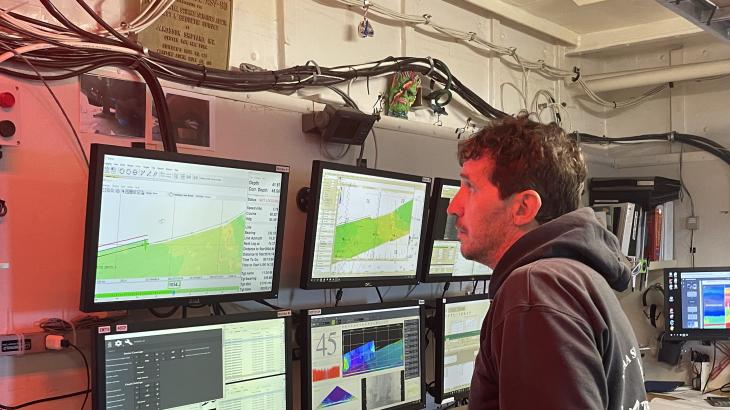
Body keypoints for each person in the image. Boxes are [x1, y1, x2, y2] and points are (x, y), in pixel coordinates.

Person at [447, 115, 648, 410]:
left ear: (523, 207)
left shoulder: (534, 291)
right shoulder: (577, 275)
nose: (454, 206)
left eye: (470, 188)